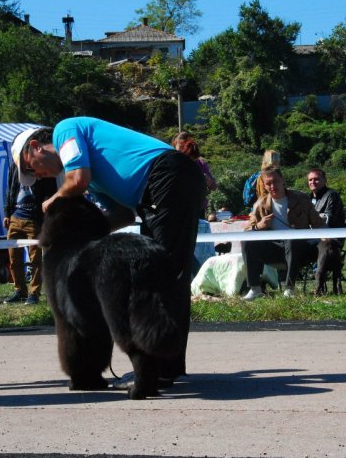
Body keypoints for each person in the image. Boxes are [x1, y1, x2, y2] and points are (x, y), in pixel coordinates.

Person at [12, 117, 206, 383]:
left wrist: (54, 202)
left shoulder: (65, 130)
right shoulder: (96, 181)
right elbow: (122, 215)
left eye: (31, 169)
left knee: (166, 273)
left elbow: (77, 179)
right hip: (155, 192)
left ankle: (159, 366)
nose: (38, 176)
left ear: (34, 147)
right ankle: (161, 364)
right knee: (159, 271)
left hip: (168, 175)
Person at [241, 166, 326, 300]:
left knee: (291, 238)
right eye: (268, 183)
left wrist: (326, 237)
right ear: (264, 185)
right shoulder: (259, 205)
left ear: (283, 180)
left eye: (275, 181)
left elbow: (319, 224)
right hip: (274, 250)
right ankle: (255, 289)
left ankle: (289, 289)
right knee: (247, 241)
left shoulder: (302, 198)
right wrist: (259, 226)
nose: (272, 186)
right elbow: (247, 231)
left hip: (300, 249)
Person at [2, 135, 56, 305]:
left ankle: (34, 292)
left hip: (34, 218)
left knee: (35, 258)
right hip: (15, 217)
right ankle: (19, 290)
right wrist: (7, 212)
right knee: (13, 258)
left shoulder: (44, 167)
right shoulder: (14, 167)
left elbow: (50, 192)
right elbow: (9, 189)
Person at [306, 168, 346, 295]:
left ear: (324, 180)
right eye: (310, 180)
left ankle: (319, 284)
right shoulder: (307, 198)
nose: (313, 182)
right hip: (310, 237)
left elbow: (328, 218)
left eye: (316, 179)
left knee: (325, 245)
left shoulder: (332, 195)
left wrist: (313, 219)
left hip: (331, 237)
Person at [171, 131, 216, 216]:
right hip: (177, 209)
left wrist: (207, 180)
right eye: (180, 147)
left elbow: (214, 186)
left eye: (186, 146)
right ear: (175, 145)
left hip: (198, 208)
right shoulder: (171, 162)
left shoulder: (200, 163)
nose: (183, 150)